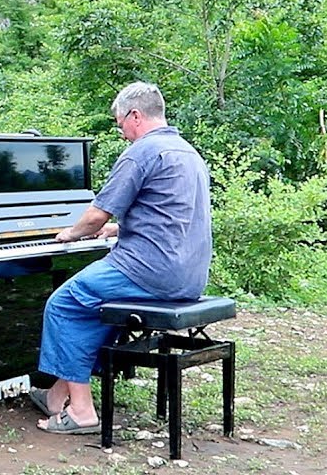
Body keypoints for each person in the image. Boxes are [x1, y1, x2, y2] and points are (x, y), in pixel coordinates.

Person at [32, 82, 212, 435]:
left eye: (119, 123)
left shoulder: (141, 152)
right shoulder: (187, 152)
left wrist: (70, 233)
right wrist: (119, 230)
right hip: (189, 274)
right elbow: (172, 215)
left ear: (135, 116)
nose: (120, 132)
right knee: (97, 306)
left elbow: (96, 215)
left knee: (65, 304)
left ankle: (81, 412)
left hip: (150, 271)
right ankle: (56, 396)